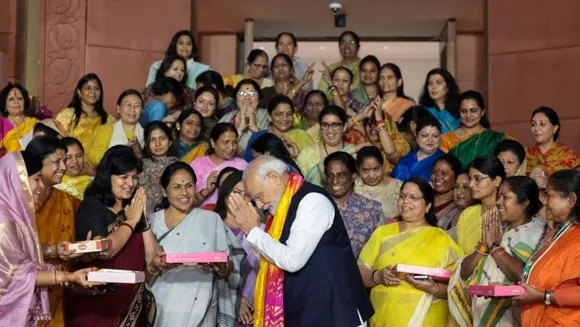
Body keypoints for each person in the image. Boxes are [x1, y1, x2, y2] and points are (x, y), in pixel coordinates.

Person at [227, 156, 374, 327]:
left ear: (274, 178)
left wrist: (254, 232)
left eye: (259, 196)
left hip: (336, 311)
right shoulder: (281, 211)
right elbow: (274, 258)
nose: (259, 205)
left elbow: (292, 260)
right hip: (307, 310)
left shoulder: (311, 200)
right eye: (254, 200)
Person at [68, 146, 173, 326]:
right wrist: (131, 222)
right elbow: (104, 251)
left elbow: (154, 258)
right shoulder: (92, 206)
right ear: (107, 177)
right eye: (124, 177)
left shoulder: (132, 209)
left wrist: (142, 221)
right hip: (98, 306)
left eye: (134, 177)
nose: (130, 183)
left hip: (132, 305)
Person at [0, 151, 96, 327]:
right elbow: (18, 274)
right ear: (16, 180)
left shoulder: (14, 213)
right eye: (36, 179)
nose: (40, 186)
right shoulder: (3, 220)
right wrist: (70, 277)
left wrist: (55, 250)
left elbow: (20, 256)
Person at [358, 177, 462, 326]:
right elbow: (361, 271)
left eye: (413, 197)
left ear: (427, 206)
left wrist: (434, 288)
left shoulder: (442, 239)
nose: (406, 201)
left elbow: (458, 287)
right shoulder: (382, 233)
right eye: (402, 196)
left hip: (426, 319)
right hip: (383, 317)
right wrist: (378, 277)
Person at [149, 162, 244, 326]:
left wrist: (222, 268)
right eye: (177, 187)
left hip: (202, 307)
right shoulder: (151, 223)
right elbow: (144, 273)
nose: (184, 192)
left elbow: (229, 267)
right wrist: (155, 266)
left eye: (189, 186)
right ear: (164, 191)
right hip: (162, 306)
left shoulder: (211, 219)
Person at [449, 176, 549, 327]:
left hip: (512, 317)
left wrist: (496, 248)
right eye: (498, 197)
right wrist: (484, 245)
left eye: (506, 197)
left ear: (525, 203)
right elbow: (463, 273)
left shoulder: (539, 234)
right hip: (480, 311)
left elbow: (526, 276)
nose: (499, 202)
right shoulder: (499, 230)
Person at [25, 136, 82, 326]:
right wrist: (52, 250)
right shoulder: (17, 205)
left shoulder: (69, 201)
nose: (64, 167)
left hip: (61, 293)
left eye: (64, 160)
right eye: (57, 161)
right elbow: (12, 257)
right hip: (25, 296)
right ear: (37, 164)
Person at [518, 170, 580, 326]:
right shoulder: (556, 233)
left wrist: (543, 296)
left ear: (571, 199)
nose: (544, 202)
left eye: (549, 195)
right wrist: (509, 291)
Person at [213, 169, 264, 326]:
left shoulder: (261, 230)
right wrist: (237, 298)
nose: (241, 198)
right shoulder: (213, 227)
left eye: (246, 193)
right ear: (225, 195)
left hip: (255, 305)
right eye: (236, 192)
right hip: (221, 301)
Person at [324, 151, 384, 257]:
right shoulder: (316, 205)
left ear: (353, 176)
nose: (334, 181)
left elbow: (381, 251)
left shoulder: (372, 210)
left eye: (341, 175)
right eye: (330, 175)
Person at [441, 90, 510, 167]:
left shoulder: (494, 139)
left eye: (473, 111)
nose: (468, 115)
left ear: (482, 111)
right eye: (463, 111)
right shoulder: (447, 139)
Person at [297, 105, 357, 187]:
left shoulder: (355, 153)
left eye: (335, 125)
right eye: (325, 125)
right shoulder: (307, 153)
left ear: (344, 127)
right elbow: (297, 184)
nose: (330, 130)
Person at [456, 156, 506, 255]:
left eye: (477, 178)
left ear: (497, 180)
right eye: (470, 179)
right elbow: (460, 256)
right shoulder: (467, 214)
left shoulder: (505, 214)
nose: (471, 184)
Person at [56, 73, 116, 154]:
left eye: (97, 88)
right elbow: (58, 145)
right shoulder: (66, 116)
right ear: (79, 92)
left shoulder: (109, 120)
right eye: (88, 88)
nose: (93, 92)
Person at [190, 123, 247, 207]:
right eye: (226, 142)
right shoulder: (197, 164)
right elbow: (187, 202)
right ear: (213, 142)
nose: (231, 147)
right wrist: (207, 190)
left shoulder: (242, 165)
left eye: (234, 142)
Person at [244, 95, 314, 162]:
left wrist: (297, 157)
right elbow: (247, 165)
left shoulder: (302, 136)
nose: (284, 118)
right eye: (279, 114)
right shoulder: (258, 137)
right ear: (269, 116)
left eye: (289, 114)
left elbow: (312, 167)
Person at [88, 89, 145, 166]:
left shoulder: (147, 133)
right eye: (128, 105)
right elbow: (94, 156)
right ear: (118, 108)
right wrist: (121, 151)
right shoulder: (106, 130)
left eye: (137, 106)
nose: (133, 110)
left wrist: (140, 154)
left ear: (142, 110)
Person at [526, 106, 580, 188]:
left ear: (555, 129)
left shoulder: (568, 156)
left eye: (542, 124)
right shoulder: (525, 154)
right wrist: (529, 180)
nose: (536, 128)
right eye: (533, 124)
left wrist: (548, 183)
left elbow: (575, 187)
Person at [218, 79, 270, 157]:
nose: (247, 98)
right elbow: (219, 149)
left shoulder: (267, 116)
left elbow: (268, 148)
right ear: (236, 98)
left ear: (259, 99)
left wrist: (254, 127)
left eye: (252, 93)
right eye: (242, 93)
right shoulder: (227, 118)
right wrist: (240, 130)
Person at [138, 121, 178, 213]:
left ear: (170, 142)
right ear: (146, 144)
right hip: (142, 215)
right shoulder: (139, 166)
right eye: (152, 140)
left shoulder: (177, 166)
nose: (158, 144)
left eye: (162, 138)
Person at [354, 146, 402, 220]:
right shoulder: (353, 188)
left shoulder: (397, 188)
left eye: (376, 169)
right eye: (365, 170)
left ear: (383, 166)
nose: (371, 175)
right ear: (358, 169)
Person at [391, 115, 445, 182]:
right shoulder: (404, 162)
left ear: (440, 137)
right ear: (416, 136)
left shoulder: (447, 161)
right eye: (424, 135)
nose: (430, 140)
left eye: (435, 136)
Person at [318, 31, 362, 98]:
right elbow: (320, 95)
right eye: (343, 42)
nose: (347, 46)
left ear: (357, 47)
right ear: (339, 46)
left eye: (351, 42)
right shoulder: (331, 68)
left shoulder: (364, 67)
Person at [418, 68, 461, 133]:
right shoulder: (422, 111)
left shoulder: (460, 110)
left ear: (448, 87)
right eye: (430, 83)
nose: (433, 87)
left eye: (439, 82)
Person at [0, 82, 38, 152]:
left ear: (25, 102)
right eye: (11, 99)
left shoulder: (34, 124)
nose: (16, 102)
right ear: (4, 105)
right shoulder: (1, 125)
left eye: (20, 99)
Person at [431, 155, 462, 225]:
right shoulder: (423, 196)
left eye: (444, 173)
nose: (438, 177)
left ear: (456, 177)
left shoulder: (459, 204)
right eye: (434, 172)